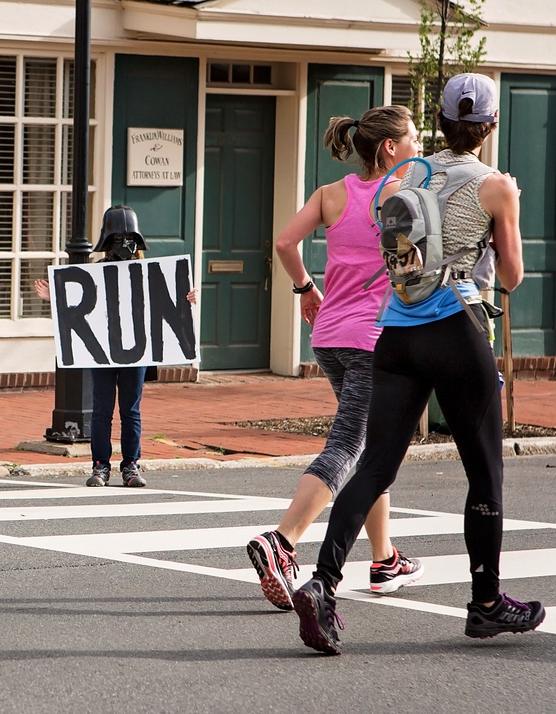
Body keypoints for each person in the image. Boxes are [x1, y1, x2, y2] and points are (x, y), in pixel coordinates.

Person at [293, 74, 546, 655]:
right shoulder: (495, 185)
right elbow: (510, 279)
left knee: (375, 466)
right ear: (490, 126)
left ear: (438, 121)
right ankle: (485, 604)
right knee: (484, 472)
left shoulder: (401, 177)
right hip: (457, 331)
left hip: (396, 334)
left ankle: (323, 584)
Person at [246, 106, 425, 610]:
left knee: (371, 447)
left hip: (328, 336)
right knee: (350, 444)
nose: (418, 144)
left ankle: (385, 558)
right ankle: (281, 541)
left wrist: (306, 286)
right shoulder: (400, 198)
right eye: (412, 137)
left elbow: (285, 242)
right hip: (373, 340)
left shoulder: (332, 194)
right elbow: (411, 271)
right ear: (390, 148)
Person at [33, 205, 197, 488]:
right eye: (117, 239)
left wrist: (187, 297)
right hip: (104, 351)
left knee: (130, 410)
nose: (123, 246)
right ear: (108, 241)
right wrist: (57, 296)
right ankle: (101, 465)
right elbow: (81, 304)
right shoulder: (96, 272)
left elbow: (165, 303)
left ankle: (130, 465)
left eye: (127, 239)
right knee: (102, 410)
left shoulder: (150, 272)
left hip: (136, 351)